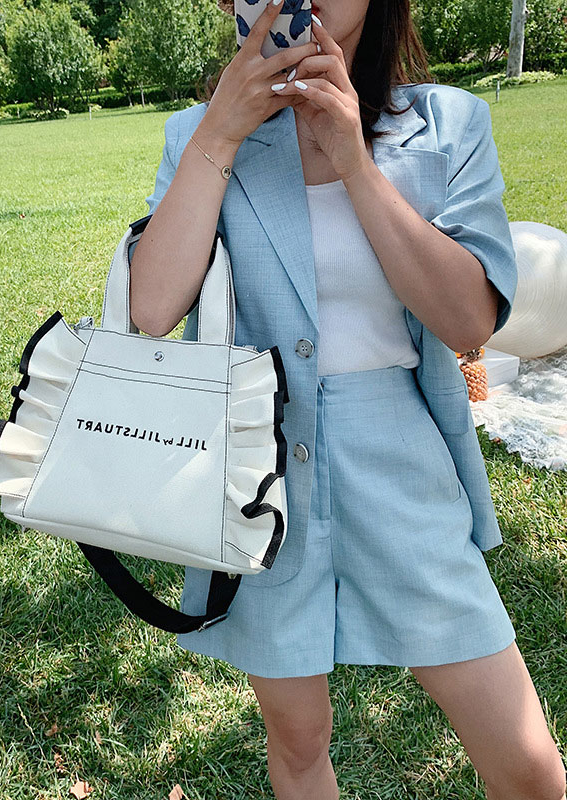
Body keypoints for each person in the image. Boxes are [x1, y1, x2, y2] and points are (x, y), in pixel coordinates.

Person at [128, 0, 567, 798]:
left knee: (526, 760)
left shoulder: (445, 124)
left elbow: (469, 319)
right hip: (257, 472)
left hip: (401, 458)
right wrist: (220, 133)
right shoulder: (196, 134)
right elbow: (152, 310)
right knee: (299, 741)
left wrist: (356, 162)